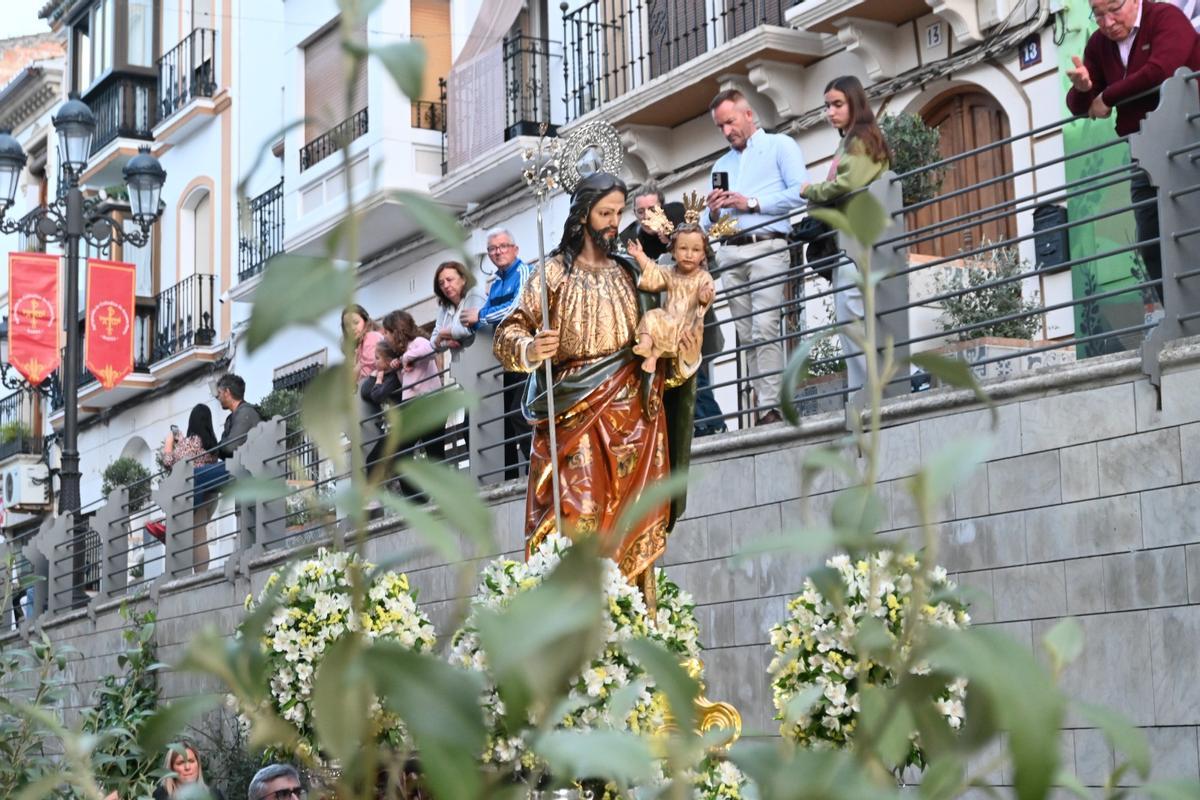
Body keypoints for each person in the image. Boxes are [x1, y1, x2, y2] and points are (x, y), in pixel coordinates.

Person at [494, 171, 695, 599]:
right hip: (575, 408)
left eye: (618, 213)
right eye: (605, 213)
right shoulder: (552, 273)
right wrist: (531, 348)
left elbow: (662, 332)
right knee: (580, 512)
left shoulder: (630, 272)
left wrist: (677, 339)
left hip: (635, 414)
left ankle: (627, 623)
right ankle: (578, 622)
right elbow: (508, 332)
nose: (612, 222)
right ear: (583, 214)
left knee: (629, 519)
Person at [1065, 0, 1200, 303]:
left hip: (1191, 134)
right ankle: (1181, 316)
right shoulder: (1099, 44)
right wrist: (1084, 89)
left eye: (1114, 9)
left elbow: (1162, 70)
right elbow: (1080, 105)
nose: (1108, 22)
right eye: (1098, 15)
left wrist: (1108, 96)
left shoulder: (1166, 18)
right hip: (1144, 149)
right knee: (1151, 239)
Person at [706, 88, 808, 426]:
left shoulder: (780, 146)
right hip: (730, 251)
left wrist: (750, 203)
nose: (726, 131)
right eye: (720, 126)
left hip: (768, 245)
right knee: (747, 334)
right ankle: (762, 408)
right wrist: (713, 211)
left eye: (730, 122)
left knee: (765, 327)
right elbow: (708, 225)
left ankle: (772, 408)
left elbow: (800, 192)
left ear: (748, 115)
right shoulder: (720, 165)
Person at [800, 75, 891, 399]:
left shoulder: (861, 139)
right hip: (850, 241)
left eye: (837, 104)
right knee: (850, 319)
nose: (830, 112)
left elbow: (847, 184)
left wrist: (811, 190)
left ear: (855, 103)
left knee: (853, 317)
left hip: (856, 241)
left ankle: (867, 392)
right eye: (827, 106)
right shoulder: (853, 139)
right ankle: (862, 392)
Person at [462, 228, 534, 479]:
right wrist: (473, 322)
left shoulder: (524, 271)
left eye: (502, 246)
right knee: (498, 420)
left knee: (520, 413)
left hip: (528, 355)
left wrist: (479, 315)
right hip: (505, 363)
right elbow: (488, 318)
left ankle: (537, 467)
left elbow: (519, 307)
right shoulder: (496, 283)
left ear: (515, 249)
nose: (497, 252)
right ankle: (510, 476)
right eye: (492, 249)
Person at [627, 224, 716, 378]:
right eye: (683, 248)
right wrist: (640, 255)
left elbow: (708, 295)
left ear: (703, 255)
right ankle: (646, 345)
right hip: (668, 316)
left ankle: (653, 357)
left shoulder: (703, 277)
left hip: (686, 323)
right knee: (651, 316)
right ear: (673, 251)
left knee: (677, 336)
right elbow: (654, 273)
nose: (689, 254)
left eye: (695, 250)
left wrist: (704, 298)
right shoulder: (670, 271)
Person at [161, 404, 226, 571]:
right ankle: (201, 573)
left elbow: (169, 463)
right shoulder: (211, 444)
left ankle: (200, 576)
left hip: (192, 494)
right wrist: (181, 441)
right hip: (210, 496)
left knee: (196, 537)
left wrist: (169, 444)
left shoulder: (191, 442)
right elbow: (195, 458)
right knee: (200, 534)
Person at [378, 310, 445, 464]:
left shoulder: (418, 342)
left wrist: (405, 358)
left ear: (397, 331)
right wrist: (398, 367)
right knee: (402, 452)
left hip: (428, 403)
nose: (384, 337)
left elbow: (431, 349)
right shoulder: (403, 353)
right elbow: (408, 383)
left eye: (387, 332)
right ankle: (416, 488)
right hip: (413, 405)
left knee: (434, 454)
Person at [215, 373, 265, 540]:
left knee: (250, 534)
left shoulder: (246, 413)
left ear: (227, 392)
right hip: (243, 484)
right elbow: (224, 448)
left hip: (253, 484)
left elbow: (229, 446)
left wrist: (221, 448)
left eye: (219, 393)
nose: (218, 397)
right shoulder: (234, 417)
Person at [343, 304, 386, 467]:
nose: (352, 328)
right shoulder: (359, 346)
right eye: (347, 325)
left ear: (365, 322)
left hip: (378, 404)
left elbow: (368, 372)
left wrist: (356, 368)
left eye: (355, 322)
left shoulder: (371, 338)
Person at [430, 260, 485, 352]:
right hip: (460, 363)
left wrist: (443, 333)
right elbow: (433, 342)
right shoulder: (444, 308)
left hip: (482, 357)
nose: (446, 286)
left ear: (463, 279)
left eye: (449, 280)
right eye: (441, 283)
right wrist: (446, 343)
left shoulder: (474, 294)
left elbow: (469, 329)